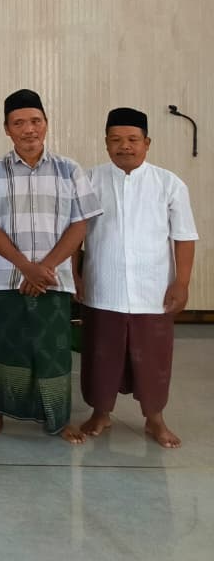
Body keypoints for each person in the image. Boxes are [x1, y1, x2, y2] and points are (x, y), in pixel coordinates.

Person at [0, 88, 102, 443]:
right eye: (19, 123)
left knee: (53, 350)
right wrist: (26, 266)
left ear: (46, 124)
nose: (28, 129)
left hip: (54, 279)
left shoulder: (69, 170)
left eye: (35, 121)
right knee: (5, 347)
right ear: (7, 129)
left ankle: (58, 416)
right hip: (7, 278)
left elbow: (81, 223)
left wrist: (45, 268)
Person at [76, 107, 198, 449]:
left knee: (154, 360)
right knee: (101, 356)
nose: (124, 146)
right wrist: (75, 275)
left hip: (153, 290)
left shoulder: (169, 183)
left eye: (132, 139)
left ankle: (154, 419)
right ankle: (100, 414)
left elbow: (184, 237)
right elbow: (75, 233)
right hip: (103, 287)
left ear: (147, 143)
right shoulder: (89, 180)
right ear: (106, 143)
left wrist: (182, 283)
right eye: (116, 140)